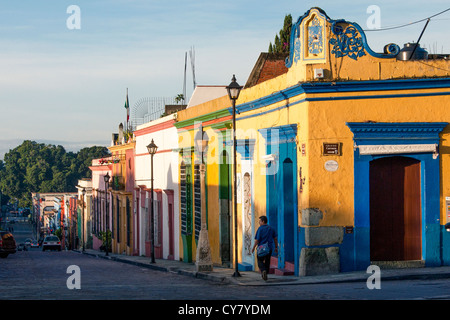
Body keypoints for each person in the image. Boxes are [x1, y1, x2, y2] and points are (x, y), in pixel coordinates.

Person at [252, 215, 278, 281]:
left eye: (260, 221)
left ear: (263, 221)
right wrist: (276, 247)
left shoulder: (260, 229)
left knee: (260, 260)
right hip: (269, 248)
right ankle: (266, 272)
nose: (259, 223)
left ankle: (263, 270)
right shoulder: (271, 228)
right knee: (267, 261)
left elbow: (257, 240)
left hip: (261, 248)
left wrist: (253, 247)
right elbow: (275, 239)